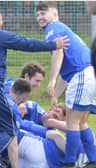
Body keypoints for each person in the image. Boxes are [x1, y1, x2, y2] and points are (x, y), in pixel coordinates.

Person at [0, 7, 69, 168]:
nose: (2, 23)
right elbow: (26, 43)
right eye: (1, 20)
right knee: (9, 129)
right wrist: (54, 44)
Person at [35, 2, 96, 168]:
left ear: (55, 14)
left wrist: (52, 80)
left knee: (72, 122)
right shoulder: (63, 28)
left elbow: (58, 52)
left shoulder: (53, 28)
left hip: (82, 75)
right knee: (81, 122)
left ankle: (70, 162)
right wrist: (56, 94)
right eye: (38, 15)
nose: (40, 17)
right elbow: (66, 74)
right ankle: (92, 160)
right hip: (87, 75)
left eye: (43, 13)